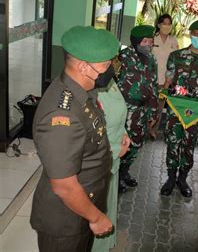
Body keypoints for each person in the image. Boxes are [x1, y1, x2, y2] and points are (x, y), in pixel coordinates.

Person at [30, 26, 119, 251]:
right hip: (65, 221)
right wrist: (97, 218)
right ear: (82, 66)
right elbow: (64, 187)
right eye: (106, 65)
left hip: (81, 207)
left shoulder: (82, 89)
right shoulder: (61, 116)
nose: (111, 69)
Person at [160, 19, 198, 197]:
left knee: (189, 145)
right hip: (176, 109)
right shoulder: (176, 56)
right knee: (173, 142)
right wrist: (162, 95)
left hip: (196, 112)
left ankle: (182, 179)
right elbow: (168, 82)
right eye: (196, 34)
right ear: (190, 34)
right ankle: (170, 178)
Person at [117, 25, 159, 193]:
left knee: (136, 143)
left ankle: (125, 171)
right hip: (125, 108)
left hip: (142, 110)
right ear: (136, 42)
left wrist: (153, 111)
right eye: (145, 41)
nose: (148, 44)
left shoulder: (151, 59)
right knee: (122, 143)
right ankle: (116, 177)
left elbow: (154, 85)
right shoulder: (123, 57)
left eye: (151, 41)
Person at [92, 71, 130, 251]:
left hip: (111, 164)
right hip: (97, 165)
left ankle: (104, 245)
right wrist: (115, 149)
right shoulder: (86, 89)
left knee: (108, 206)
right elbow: (84, 139)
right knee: (96, 214)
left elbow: (118, 112)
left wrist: (124, 133)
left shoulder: (107, 79)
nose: (112, 65)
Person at [151, 13, 179, 135]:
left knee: (159, 108)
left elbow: (177, 60)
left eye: (169, 24)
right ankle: (143, 131)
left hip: (166, 82)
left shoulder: (173, 40)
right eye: (164, 23)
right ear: (158, 25)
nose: (167, 26)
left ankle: (153, 130)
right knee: (149, 107)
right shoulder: (152, 38)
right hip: (152, 80)